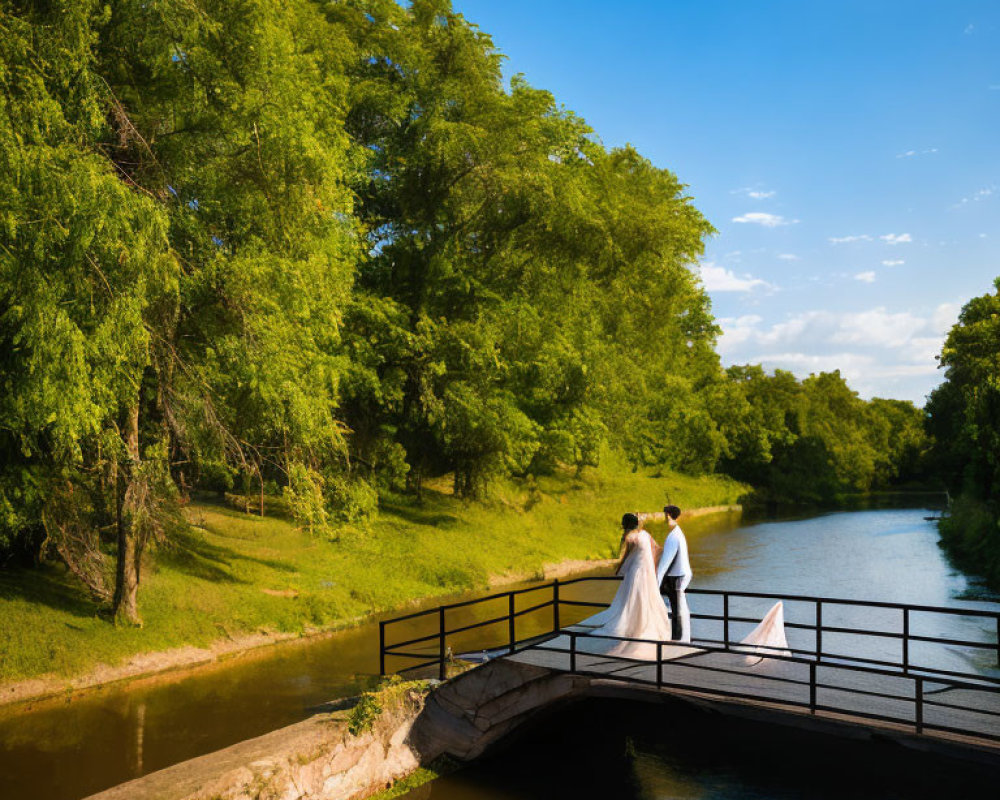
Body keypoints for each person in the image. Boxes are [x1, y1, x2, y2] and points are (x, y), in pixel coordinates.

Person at [575, 513, 674, 659]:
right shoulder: (645, 534)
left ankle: (633, 625)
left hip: (636, 571)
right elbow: (657, 548)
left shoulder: (630, 538)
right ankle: (643, 624)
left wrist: (618, 569)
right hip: (647, 572)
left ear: (626, 525)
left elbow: (626, 556)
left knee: (632, 597)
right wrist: (653, 565)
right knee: (646, 596)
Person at [656, 505, 692, 643]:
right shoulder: (678, 533)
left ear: (668, 515)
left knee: (676, 608)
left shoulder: (673, 537)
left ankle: (678, 637)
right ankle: (679, 636)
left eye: (665, 514)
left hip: (677, 576)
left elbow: (664, 564)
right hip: (679, 574)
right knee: (677, 606)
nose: (664, 518)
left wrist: (656, 582)